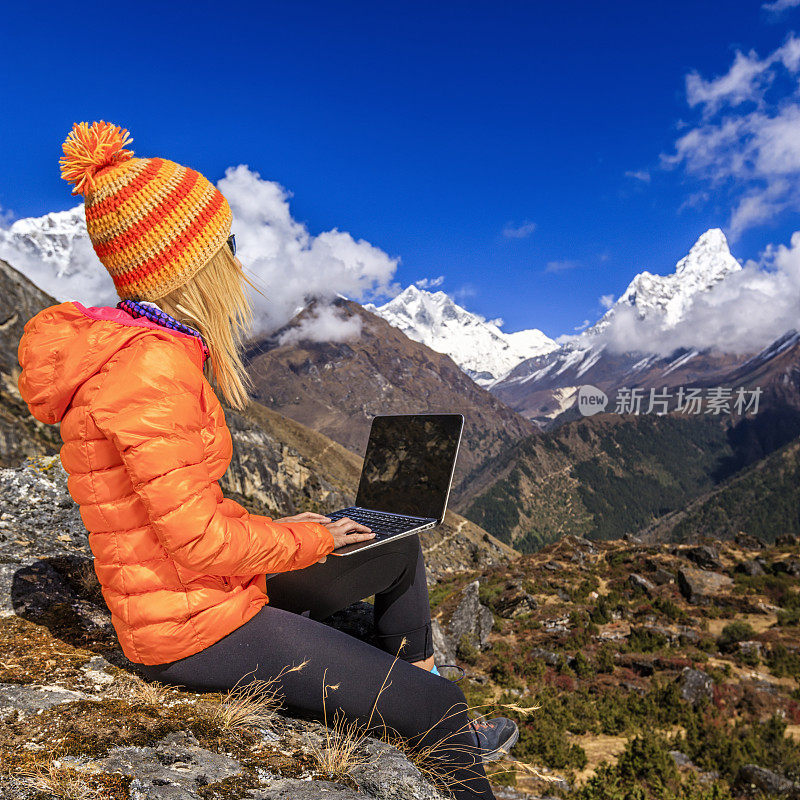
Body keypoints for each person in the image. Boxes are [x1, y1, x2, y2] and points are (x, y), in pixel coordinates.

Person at [17, 121, 518, 800]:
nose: (238, 260)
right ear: (189, 266)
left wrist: (299, 535)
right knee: (447, 706)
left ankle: (421, 709)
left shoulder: (146, 353)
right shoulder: (149, 369)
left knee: (394, 548)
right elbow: (196, 541)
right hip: (193, 630)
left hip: (206, 594)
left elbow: (179, 507)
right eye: (226, 244)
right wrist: (305, 539)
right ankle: (436, 720)